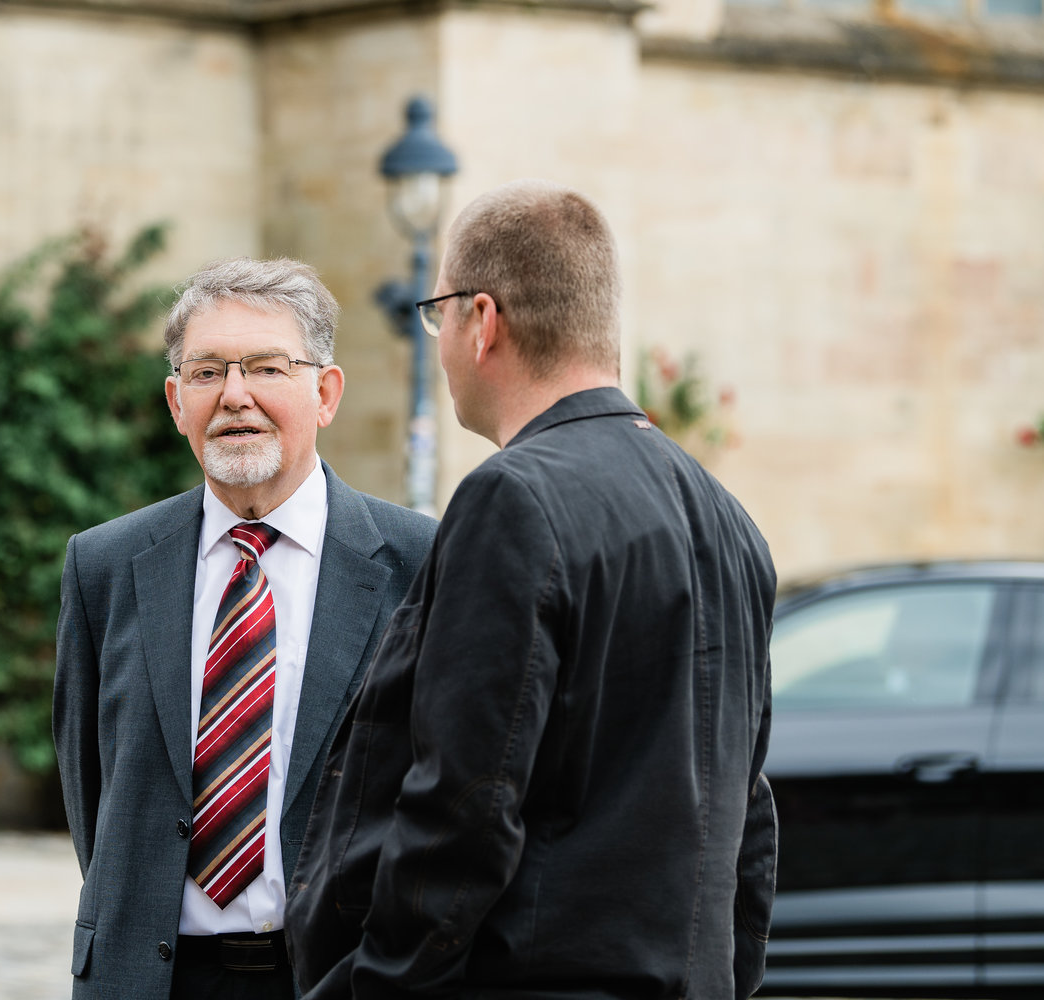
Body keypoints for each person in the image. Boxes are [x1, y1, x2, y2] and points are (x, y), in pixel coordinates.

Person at [287, 180, 779, 999]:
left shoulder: (512, 499)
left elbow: (467, 805)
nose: (439, 339)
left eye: (437, 313)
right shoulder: (730, 521)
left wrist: (374, 985)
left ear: (484, 321)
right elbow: (750, 819)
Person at [54, 256, 436, 1000]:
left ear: (325, 393)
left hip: (340, 978)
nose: (235, 396)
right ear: (175, 402)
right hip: (151, 981)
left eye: (266, 368)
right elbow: (91, 791)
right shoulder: (104, 565)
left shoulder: (420, 564)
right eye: (205, 373)